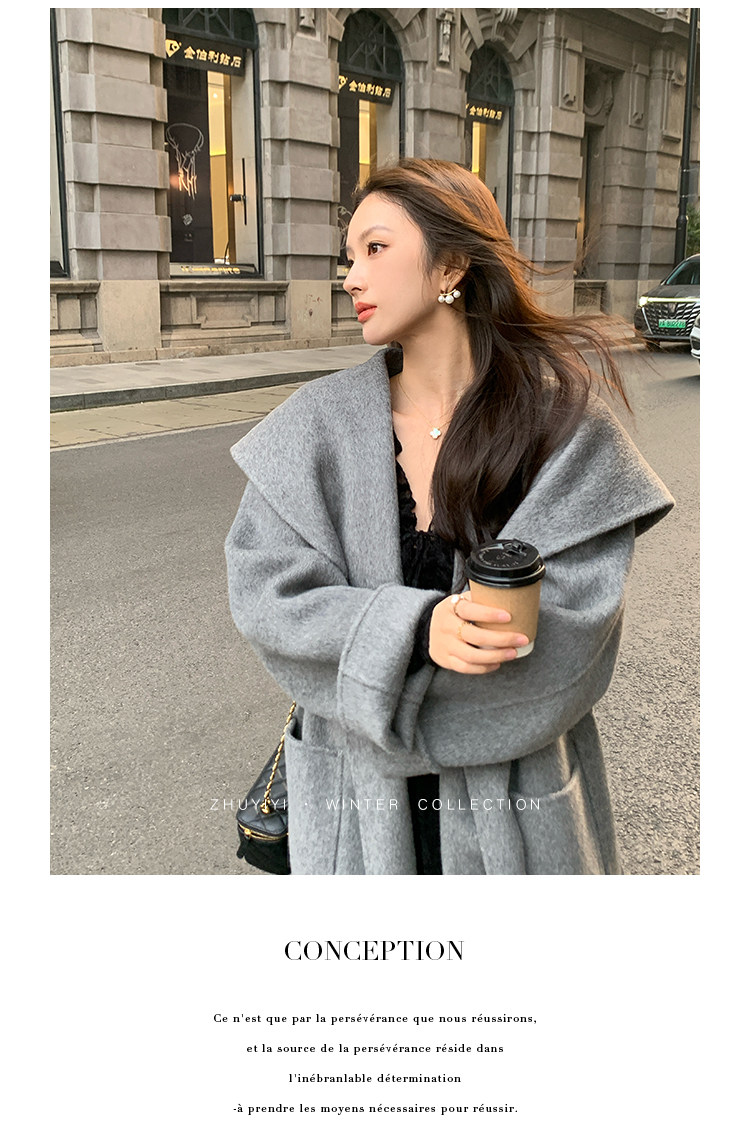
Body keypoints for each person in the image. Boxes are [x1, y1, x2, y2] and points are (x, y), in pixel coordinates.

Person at [225, 158, 674, 876]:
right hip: (355, 815)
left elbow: (566, 650)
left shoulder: (562, 430)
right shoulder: (312, 428)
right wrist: (416, 629)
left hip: (519, 812)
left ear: (451, 265)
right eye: (349, 256)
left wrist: (371, 693)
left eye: (375, 248)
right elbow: (268, 600)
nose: (351, 278)